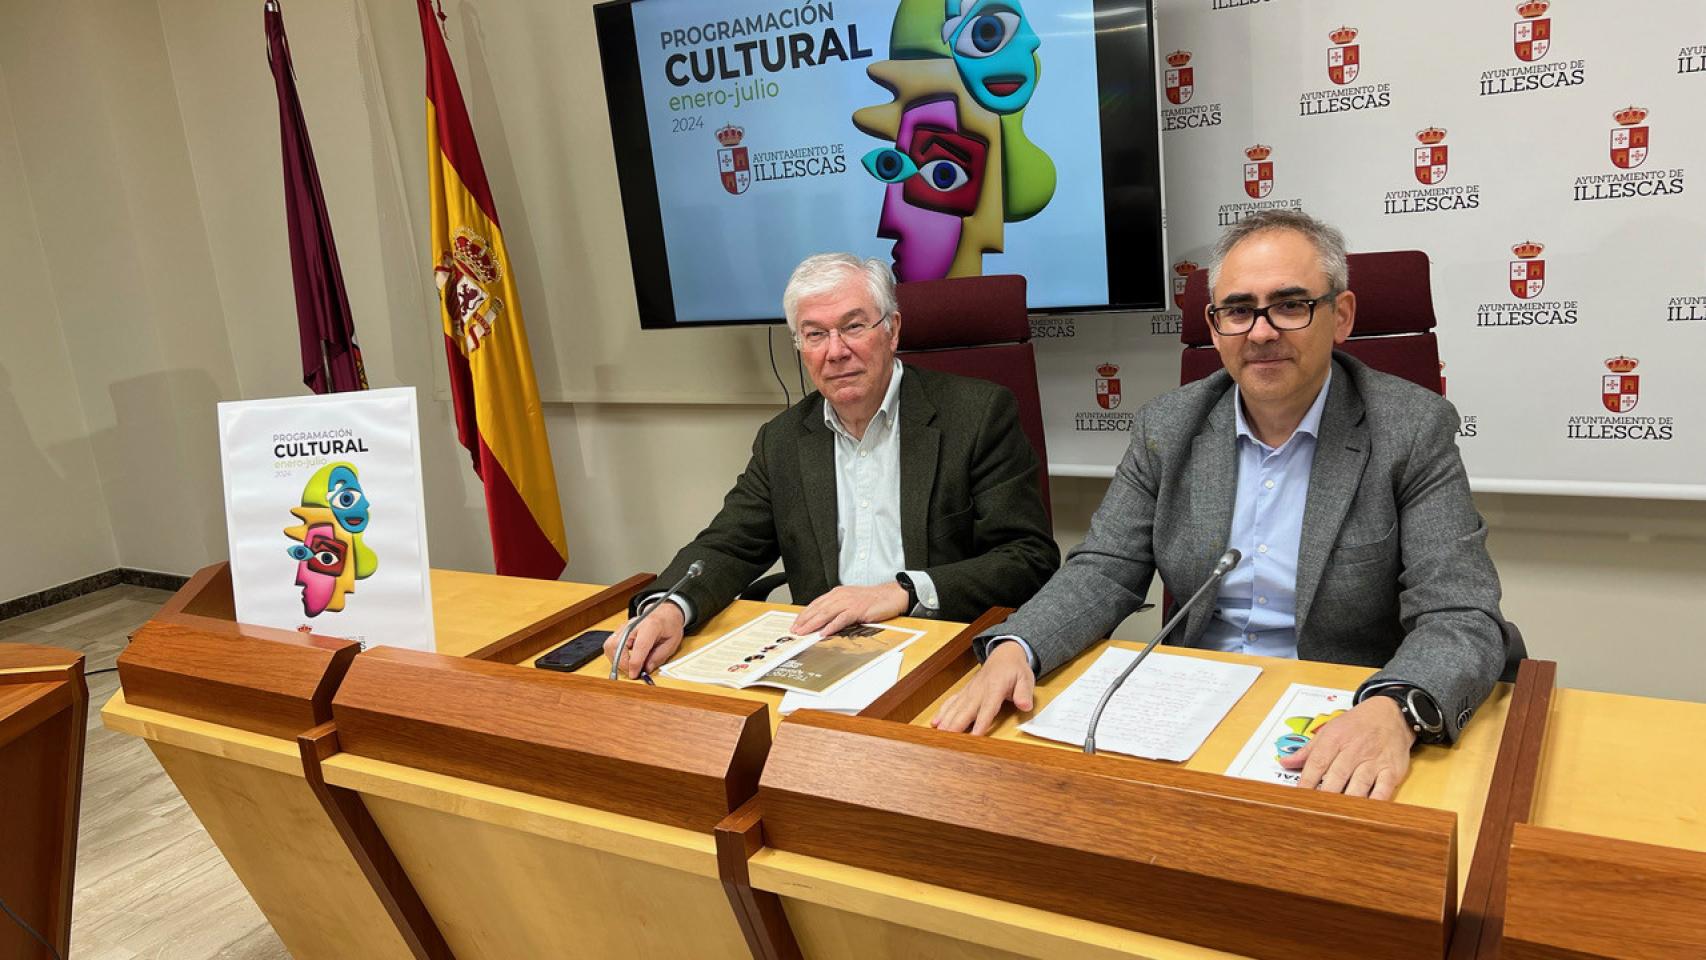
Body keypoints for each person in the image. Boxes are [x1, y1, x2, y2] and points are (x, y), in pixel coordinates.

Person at [932, 210, 1522, 801]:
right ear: (1214, 328)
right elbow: (1105, 568)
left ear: (1340, 316)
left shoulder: (1411, 428)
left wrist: (1395, 708)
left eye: (1290, 305)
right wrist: (1019, 645)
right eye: (1238, 311)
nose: (1261, 333)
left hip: (1344, 707)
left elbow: (1459, 612)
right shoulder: (1169, 425)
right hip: (1192, 705)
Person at [606, 253, 1059, 677]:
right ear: (800, 345)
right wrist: (668, 607)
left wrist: (901, 591)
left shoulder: (977, 415)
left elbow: (1027, 558)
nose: (835, 350)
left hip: (942, 648)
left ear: (893, 329)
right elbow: (728, 547)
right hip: (822, 654)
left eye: (853, 326)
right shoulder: (783, 439)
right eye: (815, 334)